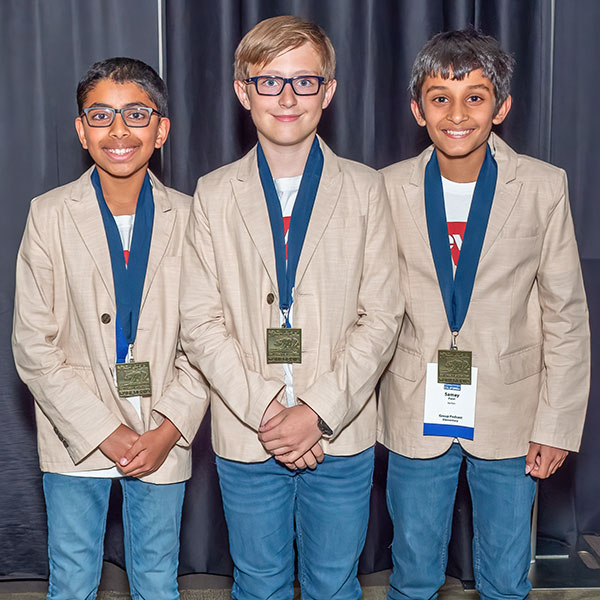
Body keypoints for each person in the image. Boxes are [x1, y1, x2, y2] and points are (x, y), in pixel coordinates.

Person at [179, 15, 400, 600]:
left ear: (327, 92)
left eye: (304, 82)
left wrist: (317, 411)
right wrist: (271, 410)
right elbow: (199, 323)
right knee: (259, 582)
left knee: (333, 583)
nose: (285, 97)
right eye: (269, 80)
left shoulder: (365, 188)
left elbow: (381, 317)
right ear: (242, 90)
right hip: (249, 431)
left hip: (341, 431)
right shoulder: (213, 192)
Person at [379, 28, 590, 600]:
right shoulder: (386, 189)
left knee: (504, 577)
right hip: (414, 408)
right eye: (440, 97)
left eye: (475, 96)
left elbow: (565, 316)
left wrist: (556, 423)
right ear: (417, 108)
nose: (457, 113)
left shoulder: (543, 187)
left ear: (502, 107)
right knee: (414, 573)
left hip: (512, 415)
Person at [12, 57, 208, 600]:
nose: (118, 131)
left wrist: (169, 427)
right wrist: (102, 429)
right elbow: (32, 344)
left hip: (161, 432)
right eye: (101, 115)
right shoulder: (48, 215)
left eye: (136, 115)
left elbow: (210, 338)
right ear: (80, 129)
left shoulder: (195, 219)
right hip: (75, 430)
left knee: (156, 579)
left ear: (161, 129)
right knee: (72, 579)